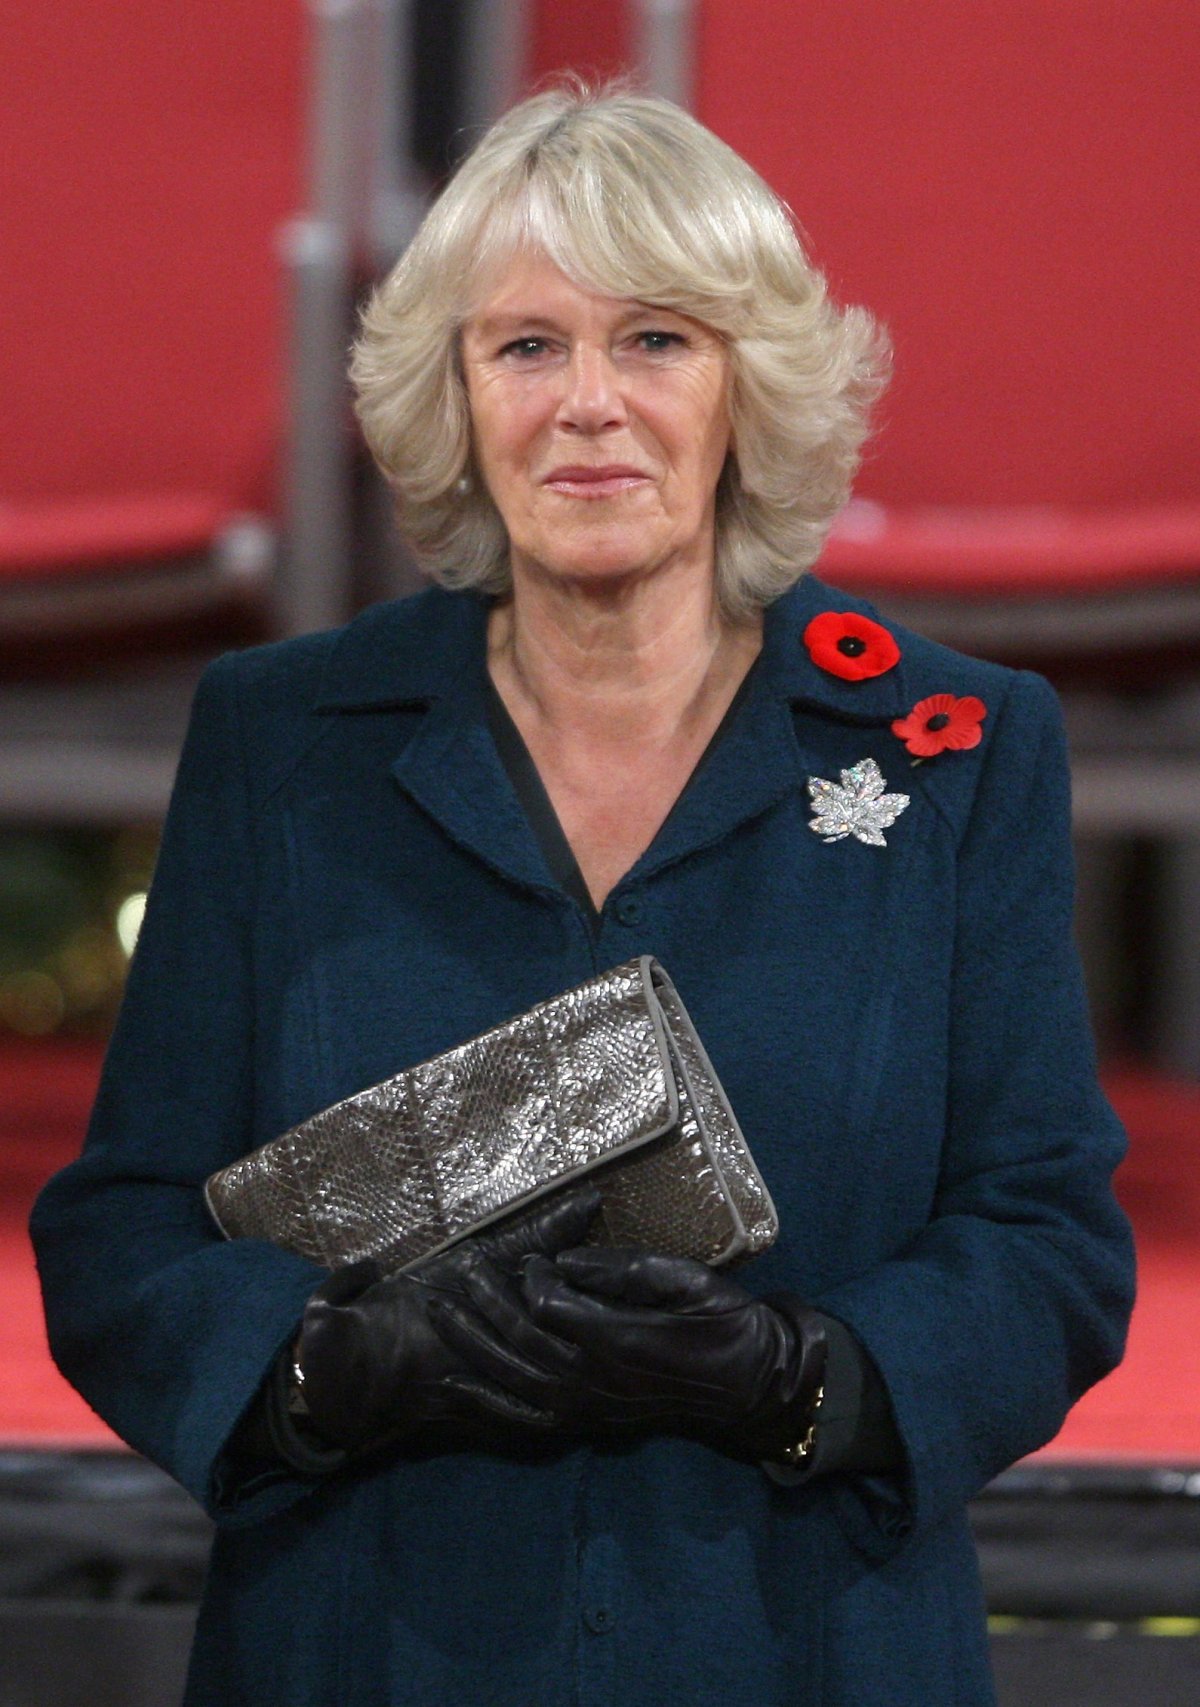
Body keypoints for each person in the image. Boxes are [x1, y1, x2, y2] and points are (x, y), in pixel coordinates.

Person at [32, 84, 1134, 1706]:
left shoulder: (955, 747)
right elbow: (122, 1232)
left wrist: (799, 1376)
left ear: (751, 385)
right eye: (527, 347)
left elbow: (1050, 1240)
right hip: (366, 1649)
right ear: (457, 395)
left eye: (657, 341)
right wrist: (327, 1370)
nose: (589, 405)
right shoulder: (282, 739)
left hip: (804, 1650)